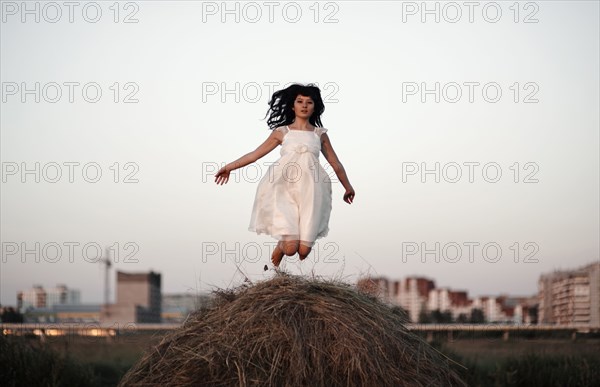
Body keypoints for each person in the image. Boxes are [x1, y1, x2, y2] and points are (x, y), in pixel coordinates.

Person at [214, 83, 355, 269]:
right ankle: (282, 246)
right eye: (300, 101)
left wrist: (348, 187)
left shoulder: (319, 134)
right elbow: (254, 155)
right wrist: (229, 167)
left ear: (315, 107)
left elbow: (335, 163)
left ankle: (292, 244)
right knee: (290, 249)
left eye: (309, 102)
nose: (304, 105)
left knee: (303, 252)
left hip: (311, 190)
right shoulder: (282, 132)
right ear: (292, 106)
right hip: (283, 188)